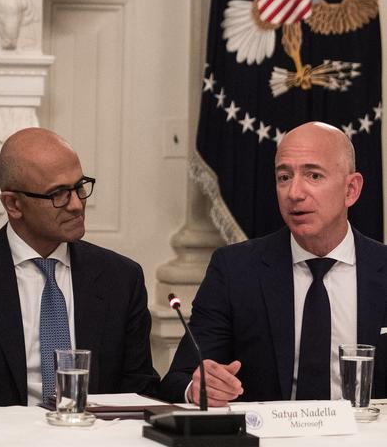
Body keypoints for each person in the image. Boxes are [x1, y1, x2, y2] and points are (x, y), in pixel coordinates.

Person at [0, 127, 159, 406]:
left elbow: (139, 389)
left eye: (79, 187)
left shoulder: (121, 278)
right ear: (13, 204)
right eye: (58, 194)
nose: (76, 205)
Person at [159, 122, 387, 406]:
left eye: (313, 175)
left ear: (351, 189)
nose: (294, 192)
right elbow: (177, 379)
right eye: (284, 177)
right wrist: (199, 388)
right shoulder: (235, 270)